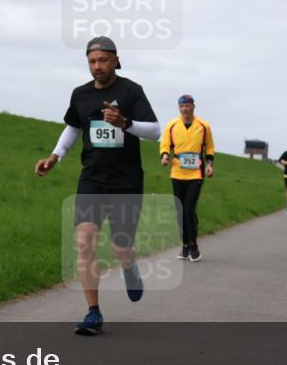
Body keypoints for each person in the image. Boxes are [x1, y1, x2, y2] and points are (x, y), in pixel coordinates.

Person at [35, 37, 159, 335]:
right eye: (92, 61)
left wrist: (125, 124)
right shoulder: (81, 95)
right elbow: (74, 126)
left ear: (116, 60)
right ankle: (93, 312)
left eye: (103, 60)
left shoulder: (131, 90)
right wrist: (56, 156)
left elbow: (155, 131)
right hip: (92, 179)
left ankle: (129, 267)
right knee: (85, 240)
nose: (97, 66)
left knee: (120, 247)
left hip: (126, 182)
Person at [159, 94, 214, 262]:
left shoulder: (203, 126)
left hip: (196, 172)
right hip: (177, 172)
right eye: (182, 106)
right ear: (179, 108)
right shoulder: (172, 125)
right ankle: (184, 246)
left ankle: (194, 245)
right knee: (180, 210)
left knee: (189, 209)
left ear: (193, 106)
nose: (185, 109)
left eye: (188, 106)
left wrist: (209, 164)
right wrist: (165, 156)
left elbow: (209, 146)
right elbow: (165, 144)